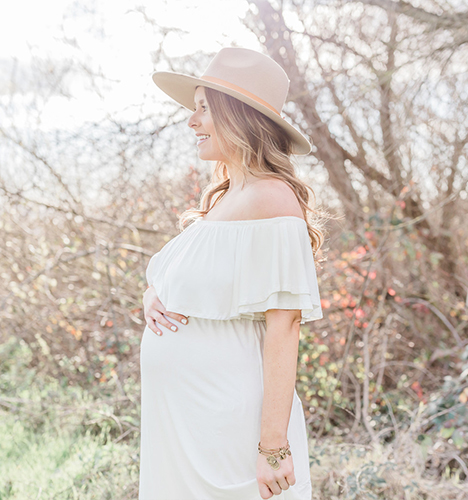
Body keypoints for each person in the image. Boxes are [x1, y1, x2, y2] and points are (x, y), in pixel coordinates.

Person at [139, 47, 325, 500]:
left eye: (204, 109)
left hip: (228, 422)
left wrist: (273, 447)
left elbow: (285, 326)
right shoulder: (224, 198)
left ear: (239, 118)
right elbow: (198, 280)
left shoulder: (273, 198)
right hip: (186, 422)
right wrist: (155, 294)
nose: (192, 122)